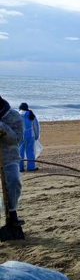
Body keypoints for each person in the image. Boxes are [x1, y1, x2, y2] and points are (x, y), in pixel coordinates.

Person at [0, 95, 25, 226]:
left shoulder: (13, 115)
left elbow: (17, 139)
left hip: (9, 157)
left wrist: (3, 128)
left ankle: (12, 214)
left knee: (14, 182)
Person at [18, 103, 40, 172]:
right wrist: (37, 136)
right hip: (30, 135)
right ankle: (30, 167)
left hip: (20, 135)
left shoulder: (17, 115)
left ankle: (20, 168)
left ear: (20, 108)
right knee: (30, 151)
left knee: (20, 151)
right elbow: (36, 127)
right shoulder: (31, 114)